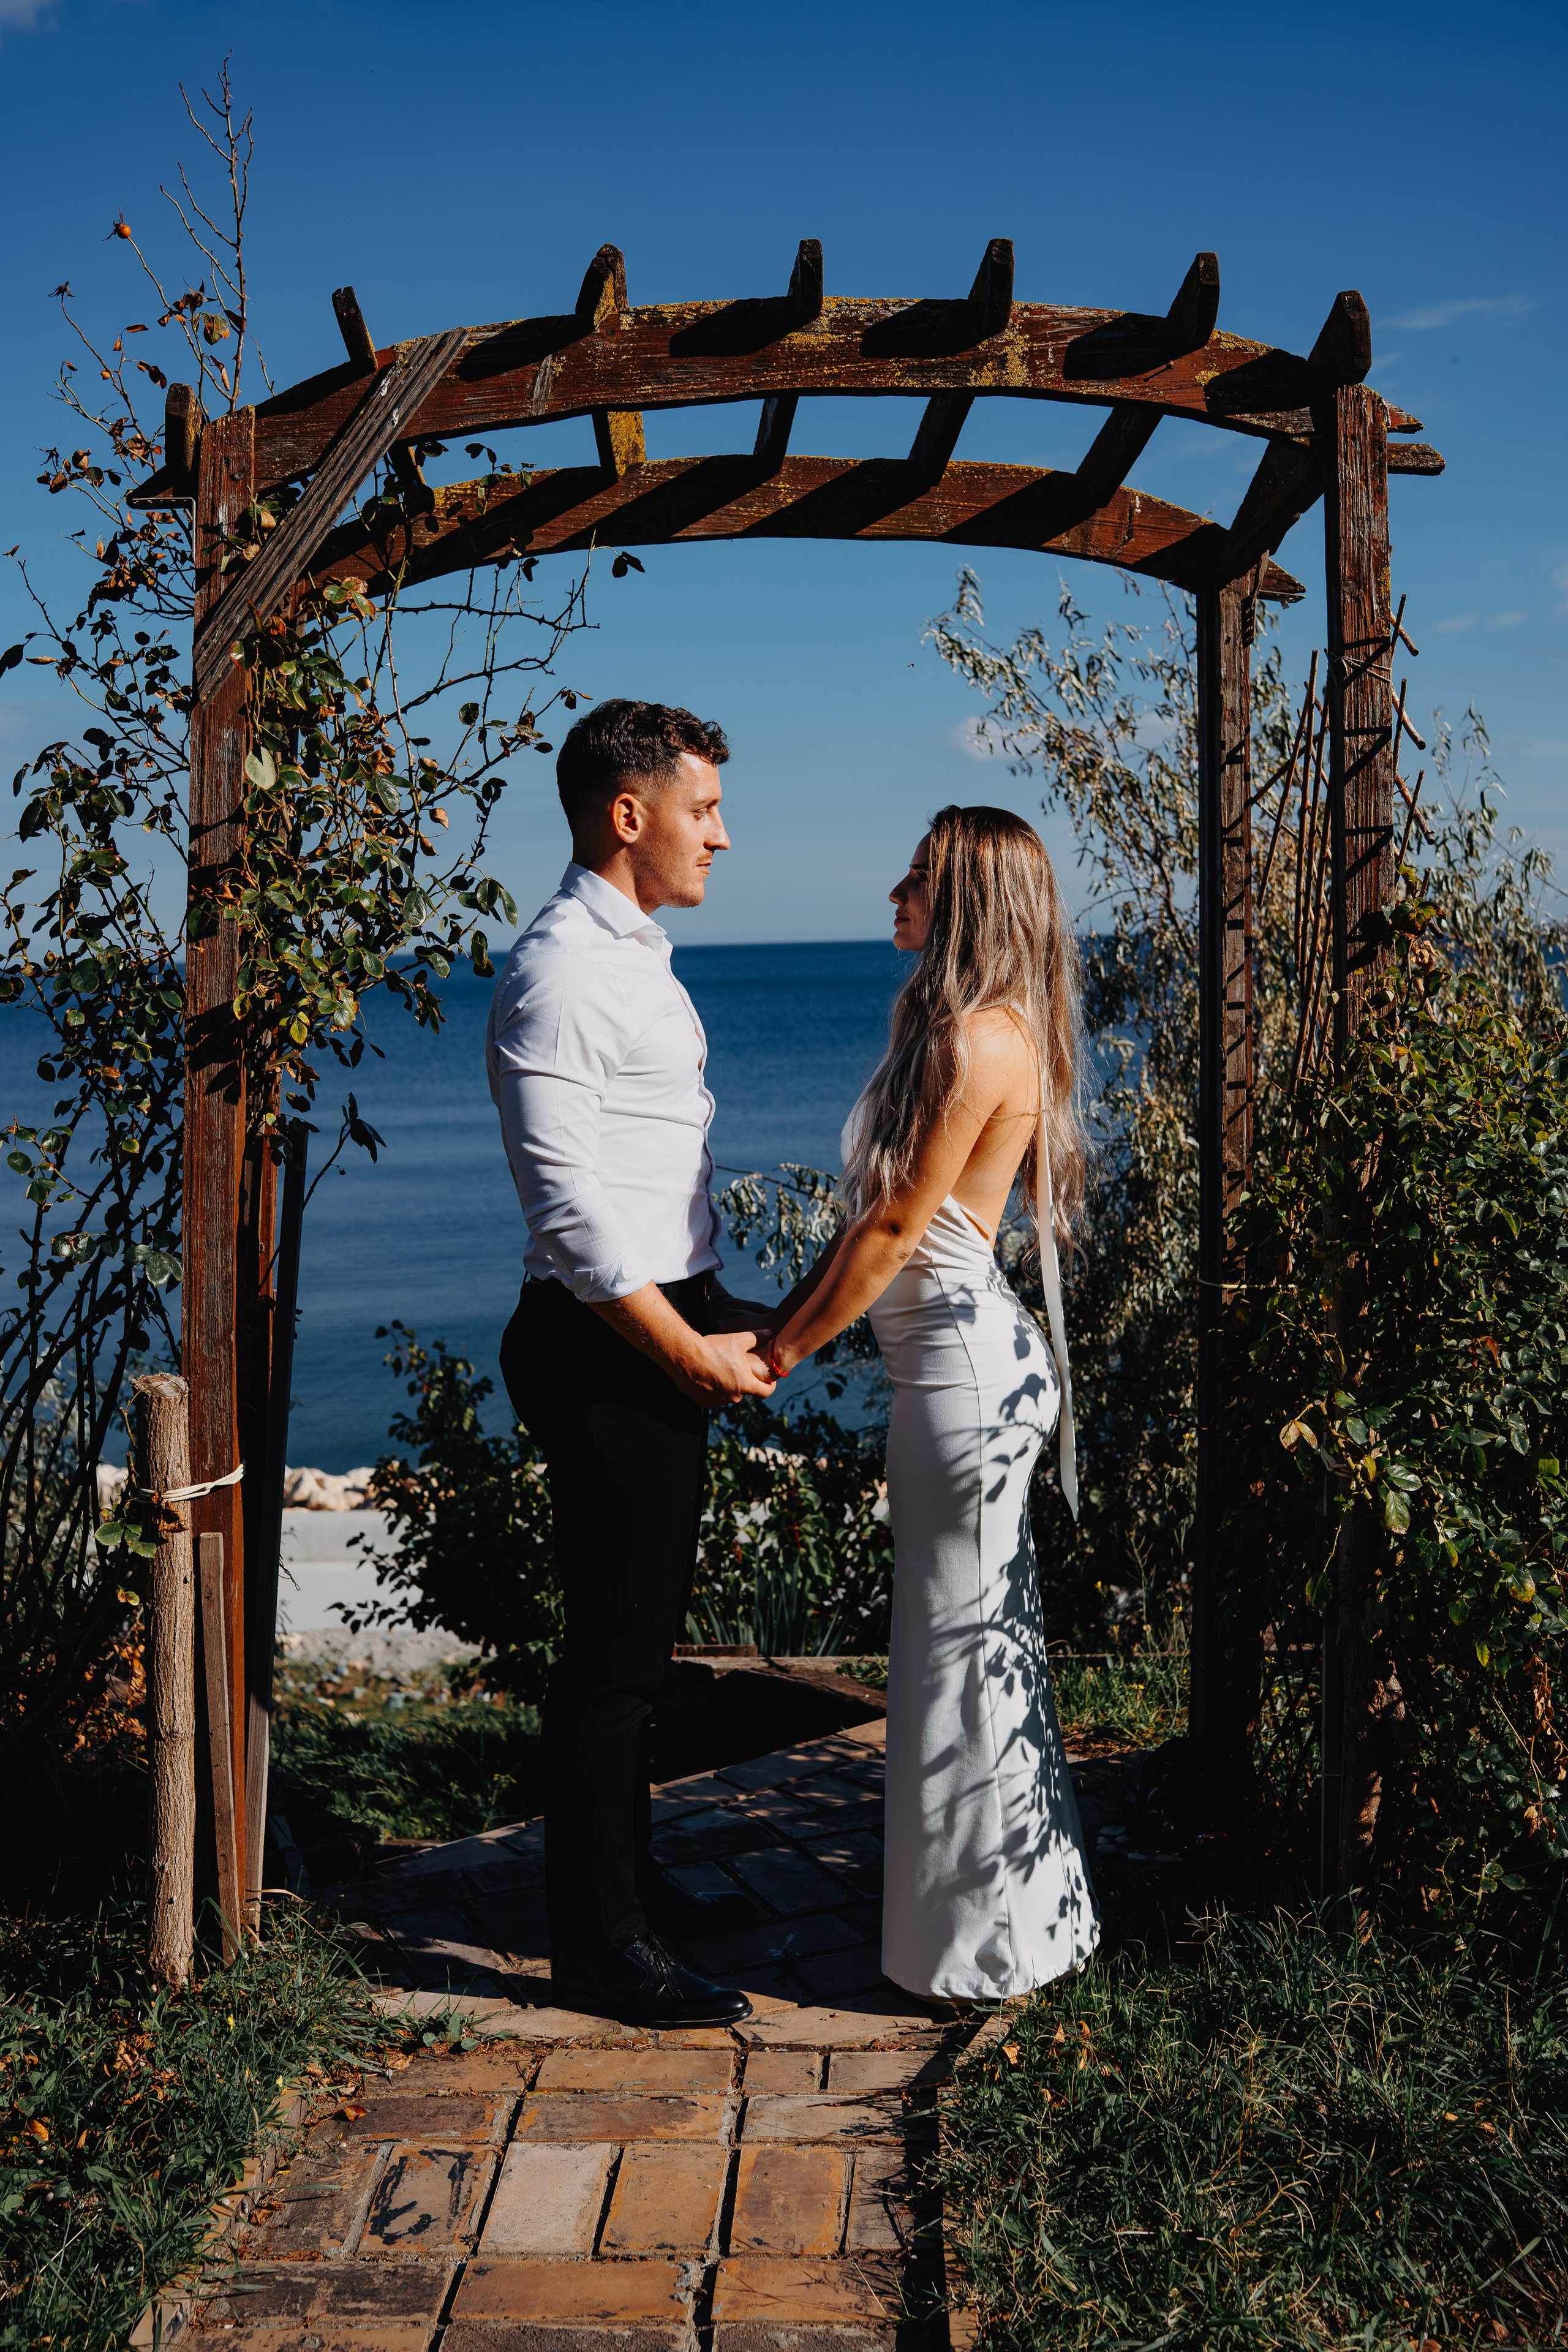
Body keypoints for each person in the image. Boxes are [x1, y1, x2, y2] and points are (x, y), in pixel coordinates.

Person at [764, 805, 1099, 2004]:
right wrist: (779, 1325)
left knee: (962, 1652)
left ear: (961, 897)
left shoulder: (974, 1046)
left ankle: (987, 1951)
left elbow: (900, 1229)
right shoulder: (979, 1035)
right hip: (957, 1370)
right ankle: (1000, 1934)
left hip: (960, 1380)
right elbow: (875, 1224)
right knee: (962, 1647)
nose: (890, 895)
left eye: (913, 878)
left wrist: (781, 1355)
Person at [485, 698, 778, 2029]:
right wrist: (687, 1358)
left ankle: (636, 1889)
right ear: (628, 815)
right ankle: (602, 1950)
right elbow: (571, 1224)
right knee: (609, 1663)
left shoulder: (637, 956)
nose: (720, 834)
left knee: (641, 1647)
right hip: (610, 1347)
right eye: (701, 809)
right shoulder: (560, 970)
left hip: (663, 1325)